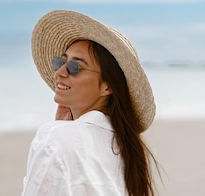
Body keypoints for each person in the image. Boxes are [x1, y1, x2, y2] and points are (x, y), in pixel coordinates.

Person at [22, 10, 158, 196]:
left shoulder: (54, 138)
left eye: (75, 67)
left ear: (107, 87)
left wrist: (62, 129)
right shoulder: (127, 151)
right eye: (61, 62)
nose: (60, 72)